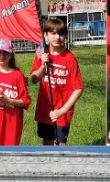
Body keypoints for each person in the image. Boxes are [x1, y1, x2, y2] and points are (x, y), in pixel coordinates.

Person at [30, 18, 84, 146]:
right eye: (53, 33)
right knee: (47, 143)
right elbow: (33, 79)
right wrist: (43, 65)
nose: (57, 37)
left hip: (62, 112)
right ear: (45, 35)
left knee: (61, 145)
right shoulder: (41, 53)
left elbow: (78, 88)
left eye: (61, 33)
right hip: (45, 109)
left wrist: (62, 111)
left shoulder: (69, 58)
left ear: (65, 36)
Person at [0, 38, 31, 146]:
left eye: (5, 53)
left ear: (11, 55)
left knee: (9, 153)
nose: (2, 56)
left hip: (12, 123)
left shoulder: (17, 75)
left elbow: (26, 101)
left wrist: (10, 101)